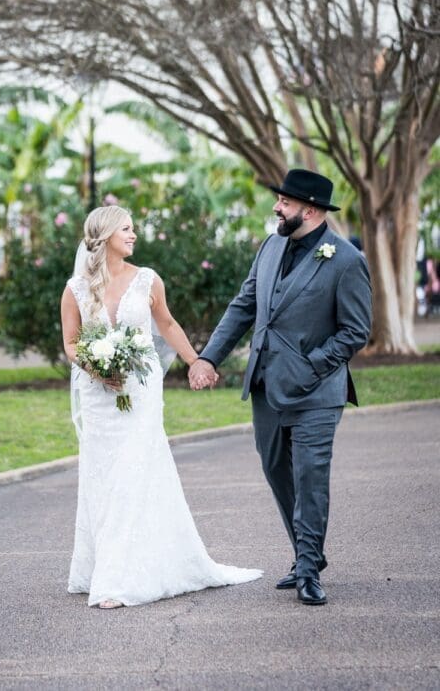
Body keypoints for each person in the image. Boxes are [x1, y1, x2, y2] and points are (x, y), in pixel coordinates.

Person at [60, 205, 262, 609]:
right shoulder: (76, 288)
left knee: (135, 472)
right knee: (106, 478)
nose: (134, 235)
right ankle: (106, 567)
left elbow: (167, 325)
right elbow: (71, 343)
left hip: (141, 393)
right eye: (127, 229)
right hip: (100, 398)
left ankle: (119, 580)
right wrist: (97, 370)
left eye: (134, 229)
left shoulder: (148, 280)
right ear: (106, 237)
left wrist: (197, 362)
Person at [189, 169, 372, 606]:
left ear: (309, 210)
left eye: (285, 203)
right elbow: (244, 305)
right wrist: (207, 356)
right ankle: (308, 550)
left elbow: (355, 332)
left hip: (317, 392)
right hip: (265, 385)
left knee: (311, 476)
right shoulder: (271, 247)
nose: (277, 207)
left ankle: (308, 567)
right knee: (276, 469)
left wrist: (313, 366)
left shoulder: (345, 260)